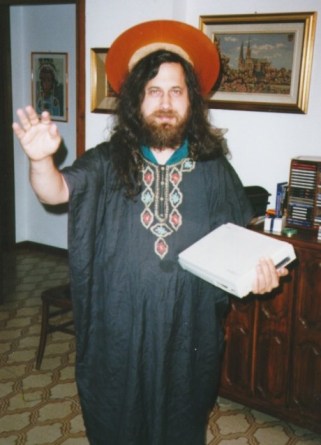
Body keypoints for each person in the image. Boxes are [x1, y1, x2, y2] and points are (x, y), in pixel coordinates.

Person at [12, 20, 287, 445]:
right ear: (135, 99)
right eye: (153, 90)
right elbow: (56, 191)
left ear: (191, 101)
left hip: (187, 335)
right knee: (117, 425)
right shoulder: (106, 160)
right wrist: (39, 161)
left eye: (176, 91)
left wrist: (258, 275)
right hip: (117, 333)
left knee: (178, 426)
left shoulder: (214, 169)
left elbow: (237, 242)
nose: (165, 102)